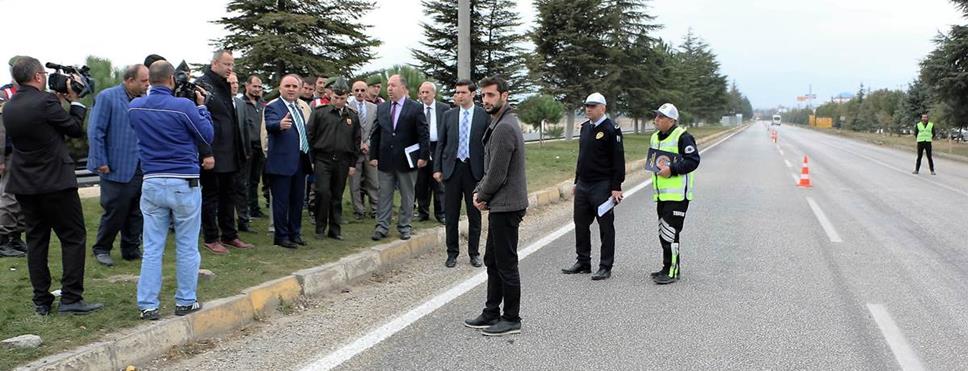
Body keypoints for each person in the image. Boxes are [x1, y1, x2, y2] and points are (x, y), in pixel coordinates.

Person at [4, 56, 102, 315]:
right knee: (73, 237)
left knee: (36, 241)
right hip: (55, 182)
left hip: (25, 183)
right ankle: (71, 298)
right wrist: (76, 101)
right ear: (38, 76)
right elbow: (73, 129)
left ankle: (41, 301)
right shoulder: (46, 101)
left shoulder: (11, 105)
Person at [130, 60, 214, 320]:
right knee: (187, 245)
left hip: (152, 180)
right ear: (171, 80)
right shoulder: (184, 106)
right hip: (183, 180)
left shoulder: (134, 107)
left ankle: (147, 305)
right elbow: (207, 135)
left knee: (153, 247)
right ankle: (185, 300)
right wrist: (202, 107)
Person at [463, 76, 528, 336]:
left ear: (504, 96)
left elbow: (497, 173)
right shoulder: (499, 122)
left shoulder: (504, 127)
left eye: (491, 95)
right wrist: (482, 189)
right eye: (484, 96)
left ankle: (511, 318)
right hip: (501, 203)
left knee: (506, 263)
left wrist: (481, 194)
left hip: (507, 205)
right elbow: (492, 169)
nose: (486, 100)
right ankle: (492, 312)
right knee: (492, 259)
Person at [87, 64, 150, 267]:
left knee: (136, 211)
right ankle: (102, 248)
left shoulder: (143, 100)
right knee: (115, 210)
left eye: (148, 80)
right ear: (129, 80)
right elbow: (96, 130)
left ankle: (131, 249)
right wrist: (100, 161)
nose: (147, 84)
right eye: (143, 80)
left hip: (141, 166)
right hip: (115, 166)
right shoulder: (108, 97)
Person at [561, 93, 625, 280]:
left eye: (593, 106)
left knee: (605, 227)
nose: (588, 108)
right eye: (587, 105)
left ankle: (605, 266)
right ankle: (583, 261)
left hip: (602, 185)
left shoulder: (611, 129)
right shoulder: (585, 128)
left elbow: (618, 160)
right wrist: (576, 181)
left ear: (602, 108)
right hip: (583, 184)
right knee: (580, 224)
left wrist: (616, 186)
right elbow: (582, 157)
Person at [196, 50, 254, 254]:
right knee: (211, 196)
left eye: (232, 65)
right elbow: (199, 121)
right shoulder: (203, 85)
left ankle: (230, 235)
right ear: (214, 63)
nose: (230, 68)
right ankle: (211, 237)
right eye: (226, 64)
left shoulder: (225, 85)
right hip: (213, 151)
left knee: (230, 195)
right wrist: (206, 152)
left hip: (231, 151)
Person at [433, 79, 488, 268]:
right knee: (451, 214)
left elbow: (487, 145)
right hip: (452, 169)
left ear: (473, 94)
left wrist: (487, 172)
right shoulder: (449, 115)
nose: (459, 95)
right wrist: (438, 168)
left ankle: (474, 253)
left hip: (474, 171)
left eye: (463, 92)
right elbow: (441, 143)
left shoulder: (483, 115)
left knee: (474, 214)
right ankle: (452, 253)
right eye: (457, 92)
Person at [369, 74, 430, 241]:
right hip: (385, 159)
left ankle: (404, 226)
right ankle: (382, 226)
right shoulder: (382, 108)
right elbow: (376, 133)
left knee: (407, 195)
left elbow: (423, 133)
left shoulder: (415, 108)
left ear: (403, 88)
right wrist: (373, 155)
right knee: (384, 194)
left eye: (393, 85)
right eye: (388, 85)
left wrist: (423, 155)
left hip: (407, 160)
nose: (389, 88)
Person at [648, 103, 700, 285]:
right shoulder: (655, 137)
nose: (657, 119)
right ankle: (666, 266)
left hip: (678, 196)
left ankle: (672, 271)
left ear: (672, 120)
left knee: (671, 233)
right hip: (662, 195)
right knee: (663, 233)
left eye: (661, 117)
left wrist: (672, 170)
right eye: (656, 116)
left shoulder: (683, 137)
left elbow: (693, 161)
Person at [307, 78, 361, 240]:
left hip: (343, 161)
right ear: (330, 95)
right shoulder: (320, 112)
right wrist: (311, 159)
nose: (338, 101)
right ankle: (320, 227)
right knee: (322, 193)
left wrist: (353, 164)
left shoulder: (352, 115)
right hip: (322, 159)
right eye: (336, 98)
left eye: (342, 98)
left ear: (347, 97)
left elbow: (356, 141)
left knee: (337, 195)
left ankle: (335, 229)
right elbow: (310, 136)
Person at [263, 75, 313, 249]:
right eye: (287, 86)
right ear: (280, 88)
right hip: (281, 163)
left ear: (299, 89)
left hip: (300, 161)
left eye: (294, 86)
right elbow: (270, 124)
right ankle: (281, 236)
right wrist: (279, 125)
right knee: (281, 202)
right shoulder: (273, 107)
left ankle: (295, 233)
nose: (291, 89)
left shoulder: (298, 108)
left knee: (297, 201)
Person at [0, 57, 26, 258]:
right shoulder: (4, 94)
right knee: (8, 197)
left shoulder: (32, 92)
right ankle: (3, 239)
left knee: (23, 197)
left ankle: (16, 236)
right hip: (9, 153)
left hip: (27, 152)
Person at [415, 82, 447, 224]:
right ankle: (423, 212)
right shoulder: (416, 109)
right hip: (421, 148)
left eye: (427, 92)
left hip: (438, 147)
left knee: (438, 182)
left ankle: (441, 213)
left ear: (434, 93)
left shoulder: (444, 109)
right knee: (421, 182)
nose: (424, 95)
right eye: (422, 92)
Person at [228, 73, 254, 233]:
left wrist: (247, 151)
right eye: (231, 83)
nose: (235, 85)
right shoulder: (219, 103)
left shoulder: (241, 103)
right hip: (225, 155)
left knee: (242, 188)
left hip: (241, 155)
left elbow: (245, 128)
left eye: (236, 82)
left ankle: (244, 221)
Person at [349, 80, 379, 220]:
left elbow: (376, 128)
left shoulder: (374, 108)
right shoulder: (348, 107)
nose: (360, 93)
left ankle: (375, 209)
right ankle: (358, 210)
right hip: (354, 151)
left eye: (362, 90)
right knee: (354, 183)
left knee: (373, 181)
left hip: (370, 150)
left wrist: (367, 143)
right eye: (357, 90)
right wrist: (360, 143)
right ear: (353, 92)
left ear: (366, 91)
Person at [241, 75, 267, 218]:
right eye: (254, 86)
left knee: (255, 179)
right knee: (245, 179)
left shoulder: (263, 104)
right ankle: (244, 211)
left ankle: (255, 208)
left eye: (259, 87)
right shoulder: (241, 103)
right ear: (247, 86)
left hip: (260, 146)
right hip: (247, 147)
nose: (257, 89)